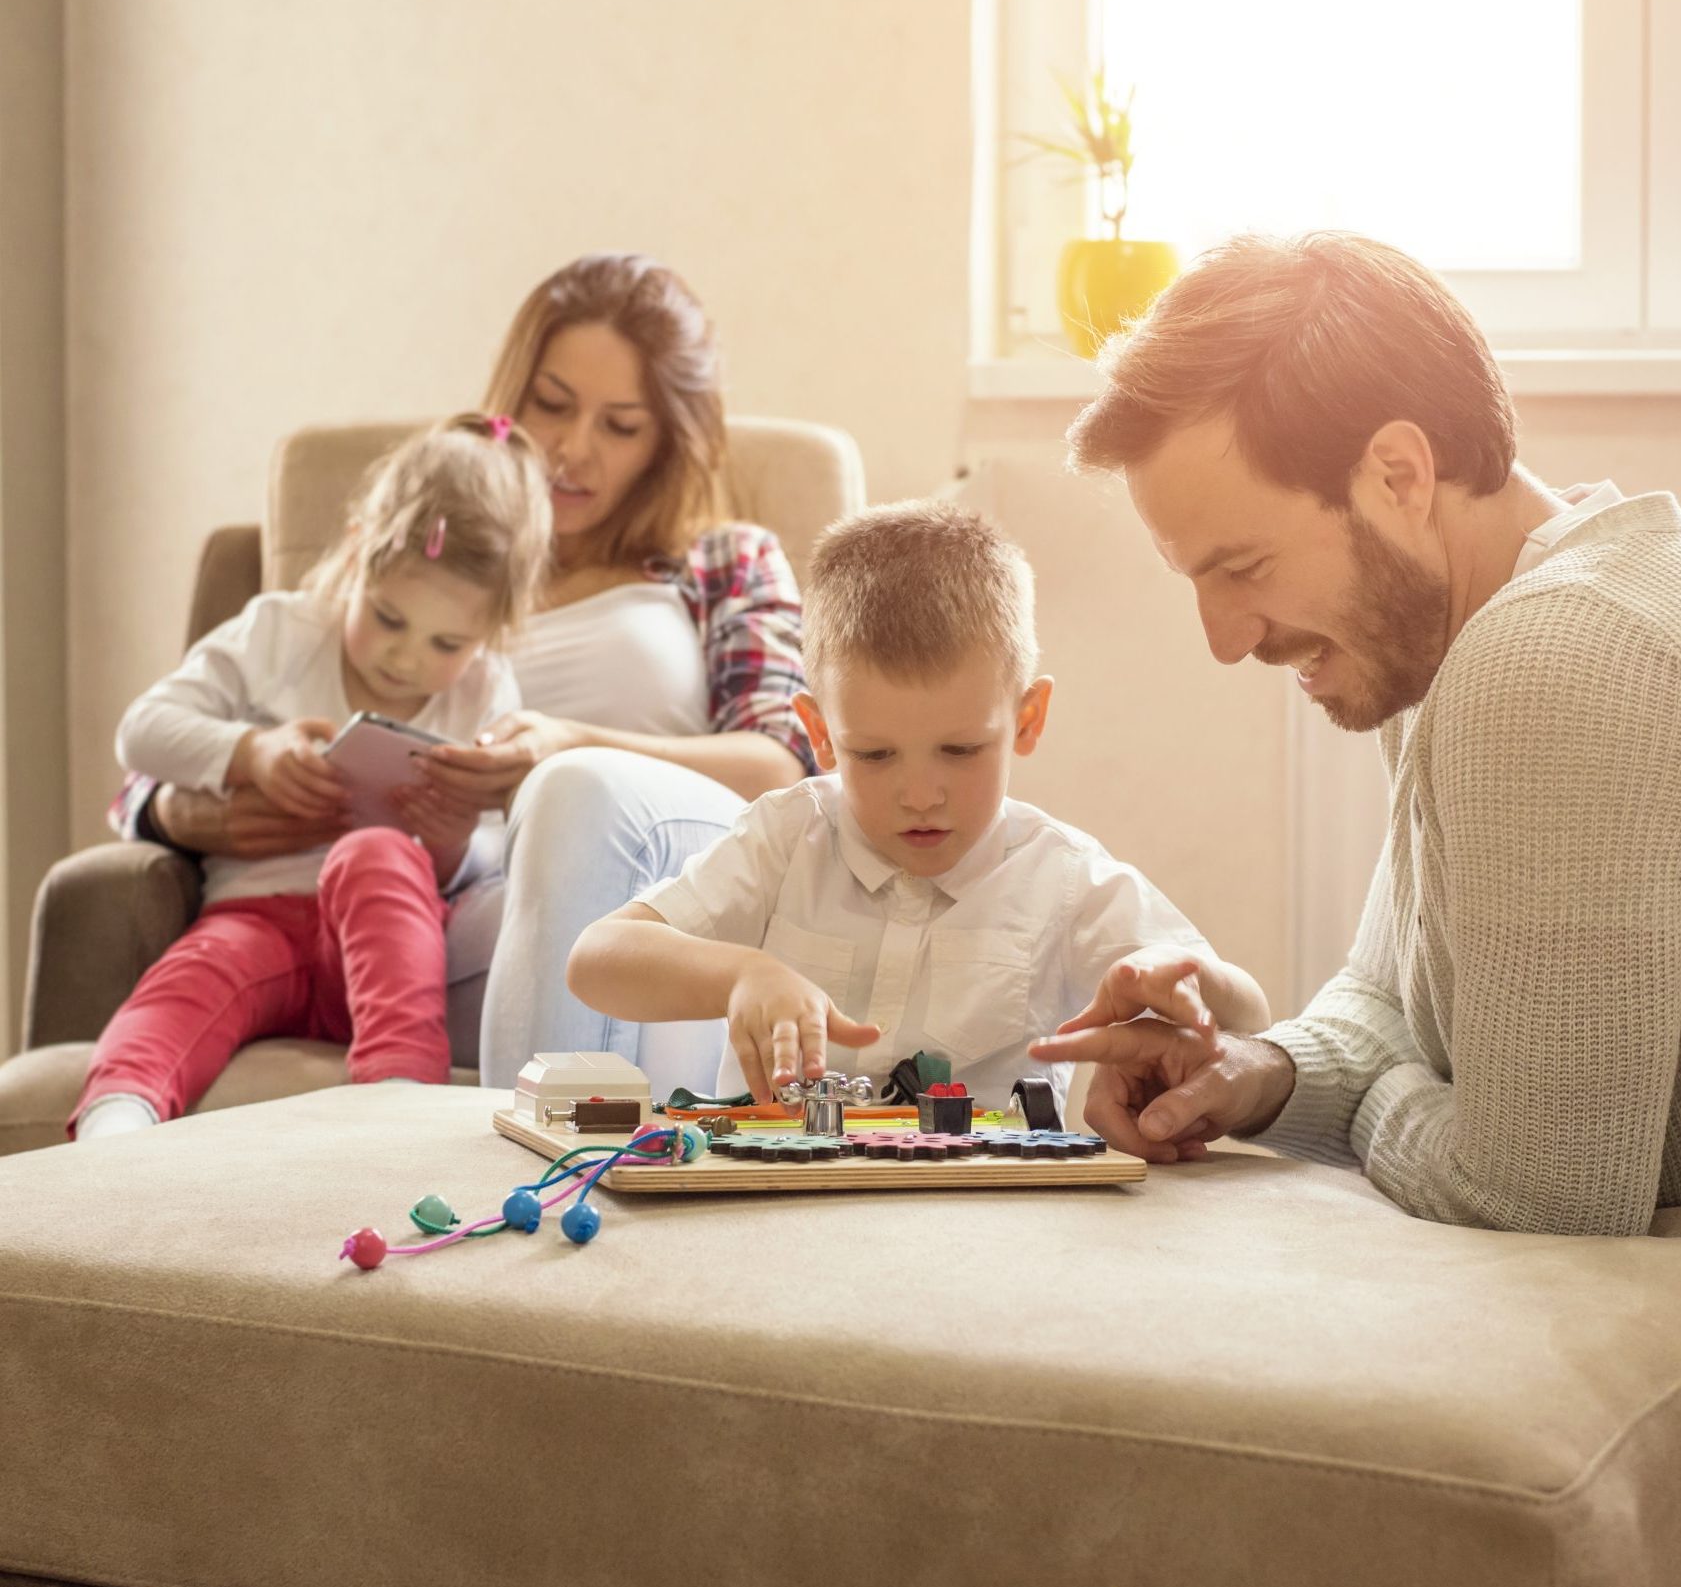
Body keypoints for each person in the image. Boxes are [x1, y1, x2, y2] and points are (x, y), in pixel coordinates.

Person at [1031, 229, 1681, 1235]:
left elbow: (1536, 1200)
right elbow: (1382, 1002)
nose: (1224, 638)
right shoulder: (1449, 642)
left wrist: (1385, 1102)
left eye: (1242, 567)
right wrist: (1251, 1073)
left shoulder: (1555, 660)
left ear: (1398, 475)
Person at [109, 254, 815, 1100]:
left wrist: (566, 747)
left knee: (572, 797)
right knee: (398, 882)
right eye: (550, 404)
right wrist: (180, 812)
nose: (570, 449)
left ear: (667, 441)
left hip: (636, 894)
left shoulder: (723, 561)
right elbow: (187, 730)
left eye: (620, 425)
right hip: (437, 904)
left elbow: (786, 766)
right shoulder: (422, 555)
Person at [568, 501, 1268, 1120]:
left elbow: (1249, 1013)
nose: (920, 794)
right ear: (819, 734)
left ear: (1027, 718)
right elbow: (595, 961)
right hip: (785, 1208)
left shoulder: (1061, 876)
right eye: (874, 755)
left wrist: (1181, 975)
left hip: (977, 1226)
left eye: (960, 750)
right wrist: (740, 974)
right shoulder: (788, 837)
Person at [74, 415, 551, 1140]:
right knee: (188, 982)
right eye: (387, 616)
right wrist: (251, 752)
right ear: (358, 550)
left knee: (378, 853)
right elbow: (141, 728)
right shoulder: (279, 632)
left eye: (445, 642)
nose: (405, 658)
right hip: (257, 912)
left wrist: (455, 842)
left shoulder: (484, 689)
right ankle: (119, 1113)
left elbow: (500, 849)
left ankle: (397, 1104)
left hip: (392, 933)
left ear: (490, 633)